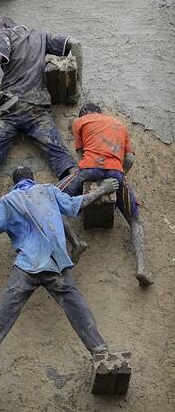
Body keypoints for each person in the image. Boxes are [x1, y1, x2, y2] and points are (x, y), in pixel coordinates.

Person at [0, 166, 119, 359]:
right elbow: (74, 204)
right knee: (75, 304)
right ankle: (99, 348)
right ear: (32, 178)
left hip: (27, 264)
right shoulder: (48, 190)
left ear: (14, 183)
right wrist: (103, 189)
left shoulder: (7, 201)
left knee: (9, 302)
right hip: (54, 261)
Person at [0, 16, 83, 191]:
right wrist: (78, 86)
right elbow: (75, 43)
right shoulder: (42, 36)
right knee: (57, 151)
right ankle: (77, 185)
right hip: (37, 108)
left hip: (9, 109)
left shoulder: (7, 32)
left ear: (5, 25)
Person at [57, 103, 153, 287]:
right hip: (116, 173)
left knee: (50, 198)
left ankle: (76, 243)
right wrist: (118, 174)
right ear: (100, 112)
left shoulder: (80, 122)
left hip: (89, 170)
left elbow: (80, 155)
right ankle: (141, 268)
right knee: (135, 221)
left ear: (84, 113)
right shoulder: (120, 125)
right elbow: (130, 159)